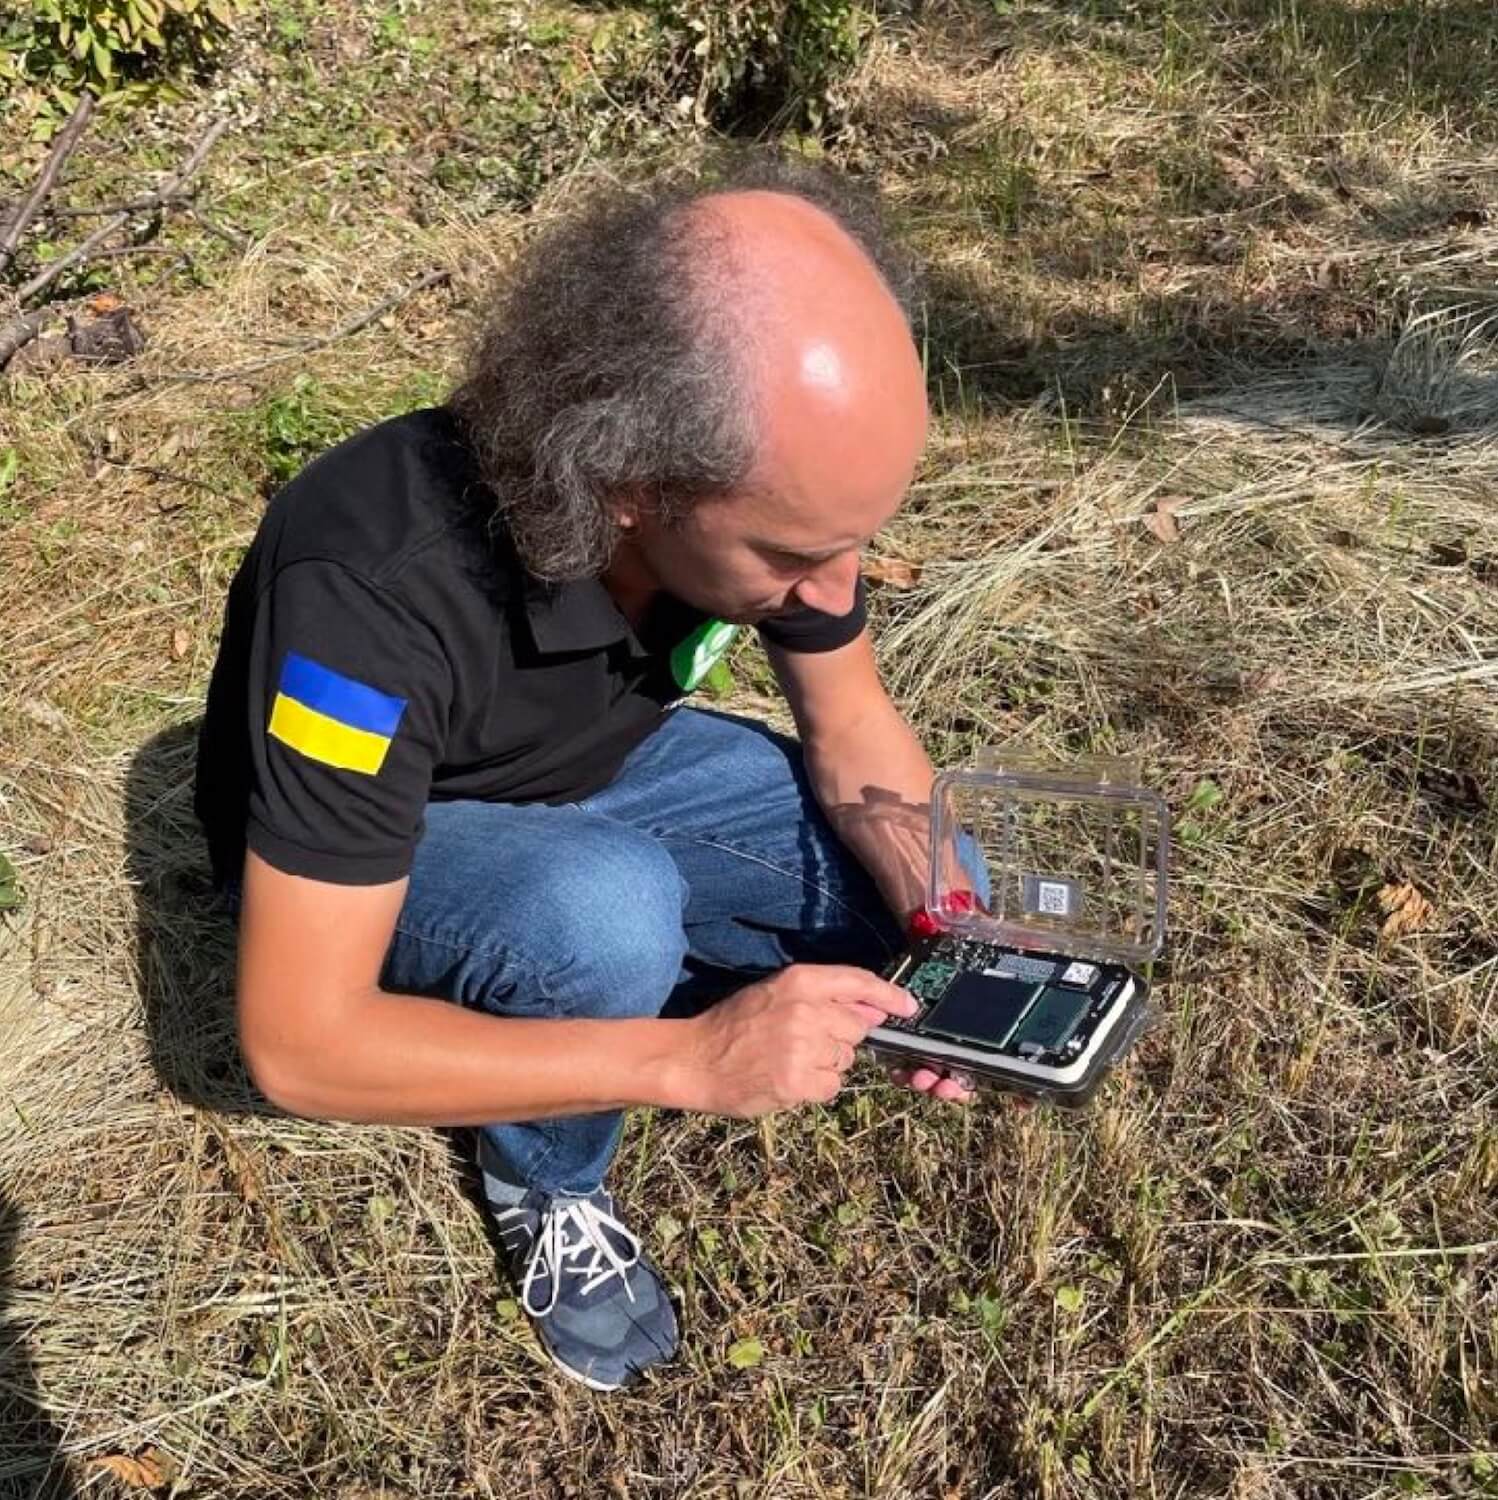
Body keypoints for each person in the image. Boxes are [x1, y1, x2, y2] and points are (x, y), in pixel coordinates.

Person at [194, 156, 973, 1393]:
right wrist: (685, 1062)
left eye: (853, 538)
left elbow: (853, 724)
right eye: (792, 552)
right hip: (378, 852)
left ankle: (622, 981)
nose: (834, 585)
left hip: (595, 768)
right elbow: (299, 1043)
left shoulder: (772, 497)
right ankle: (544, 1175)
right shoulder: (368, 600)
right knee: (601, 916)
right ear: (631, 485)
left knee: (925, 877)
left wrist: (956, 924)